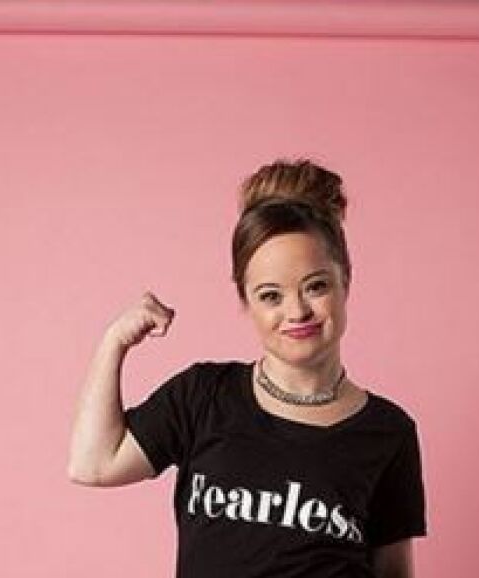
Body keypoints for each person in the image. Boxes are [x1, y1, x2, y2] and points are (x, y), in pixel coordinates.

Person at [67, 159, 426, 577]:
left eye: (316, 286)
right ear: (246, 300)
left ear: (345, 279)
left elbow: (394, 573)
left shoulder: (388, 432)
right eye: (271, 295)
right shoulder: (203, 397)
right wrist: (114, 342)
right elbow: (93, 463)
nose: (297, 311)